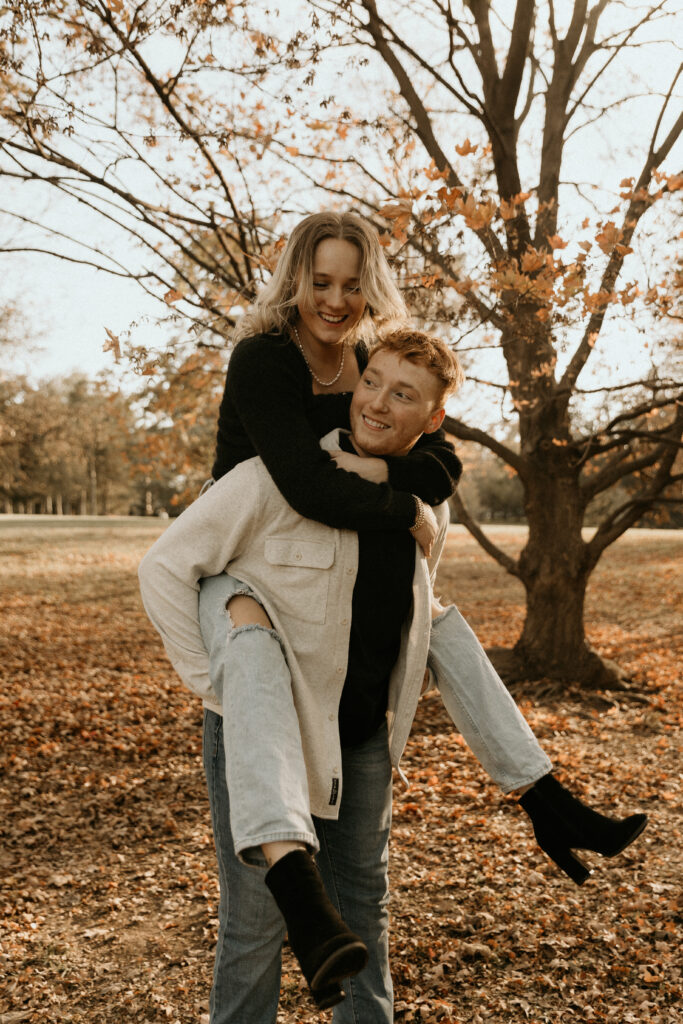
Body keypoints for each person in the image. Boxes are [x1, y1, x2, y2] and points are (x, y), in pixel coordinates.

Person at [140, 323, 647, 1021]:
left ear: (432, 418)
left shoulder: (424, 508)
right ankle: (546, 801)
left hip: (364, 740)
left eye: (401, 394)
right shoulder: (271, 480)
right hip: (268, 738)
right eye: (369, 383)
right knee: (256, 930)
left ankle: (544, 798)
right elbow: (164, 569)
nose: (375, 403)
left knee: (365, 922)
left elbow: (414, 618)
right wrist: (213, 680)